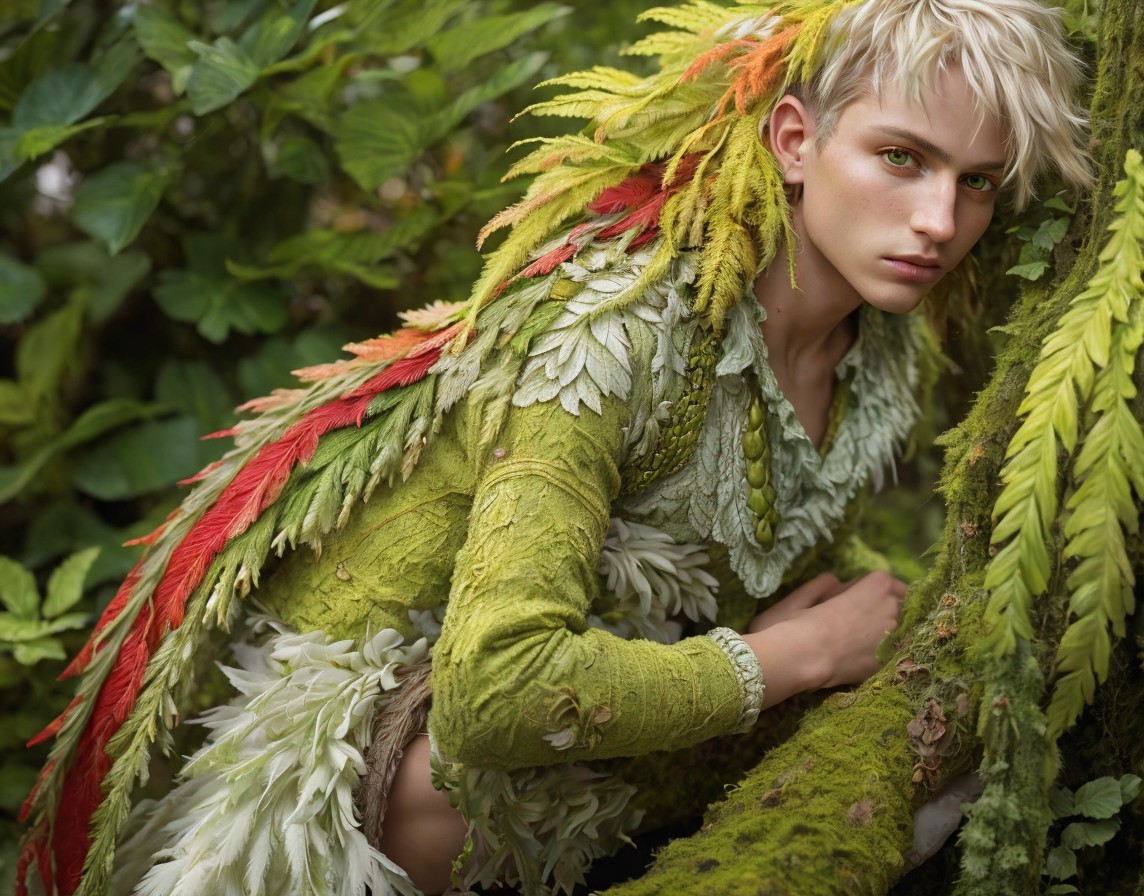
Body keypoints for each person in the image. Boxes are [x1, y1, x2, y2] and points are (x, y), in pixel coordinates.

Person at [19, 1, 1092, 895]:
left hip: (612, 727)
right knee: (448, 778)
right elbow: (493, 692)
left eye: (977, 181)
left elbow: (763, 559)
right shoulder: (615, 334)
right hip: (373, 779)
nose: (938, 220)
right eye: (900, 157)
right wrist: (793, 657)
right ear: (795, 142)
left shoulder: (888, 352)